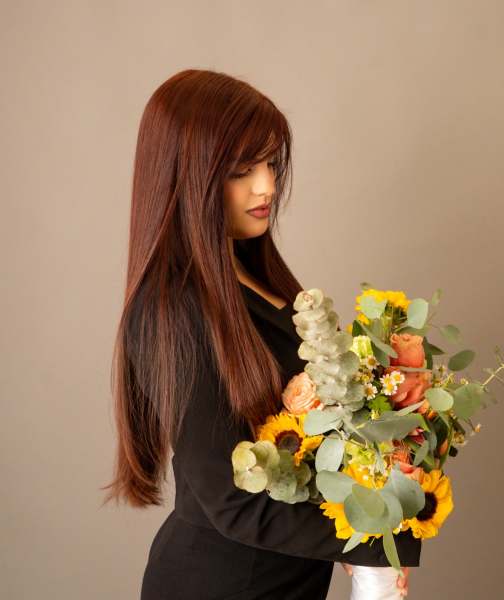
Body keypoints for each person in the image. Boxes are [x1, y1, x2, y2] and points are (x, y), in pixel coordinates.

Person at [100, 68, 420, 599]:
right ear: (187, 177)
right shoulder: (173, 309)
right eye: (241, 170)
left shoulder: (253, 276)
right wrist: (378, 536)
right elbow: (231, 502)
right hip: (222, 584)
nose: (267, 185)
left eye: (271, 163)